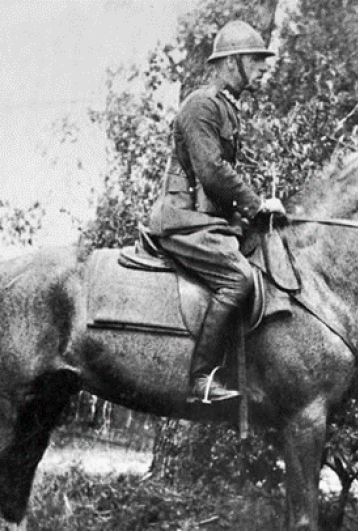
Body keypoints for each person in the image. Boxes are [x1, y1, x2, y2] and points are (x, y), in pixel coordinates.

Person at [148, 20, 286, 402]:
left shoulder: (227, 108)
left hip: (207, 222)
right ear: (231, 63)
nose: (262, 67)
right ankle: (201, 379)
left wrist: (254, 218)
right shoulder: (201, 105)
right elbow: (211, 172)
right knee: (238, 279)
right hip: (182, 222)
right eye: (255, 59)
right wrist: (258, 205)